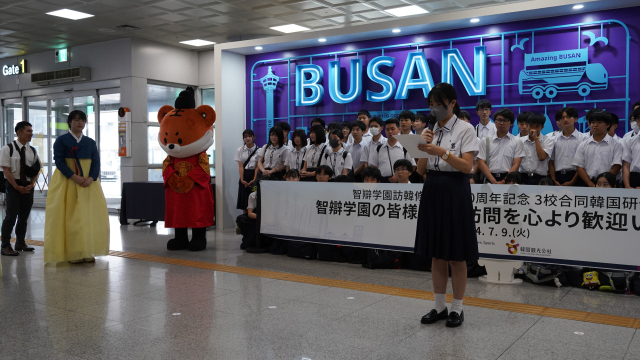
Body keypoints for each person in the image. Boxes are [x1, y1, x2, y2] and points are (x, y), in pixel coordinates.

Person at [415, 82, 479, 328]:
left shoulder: (465, 129)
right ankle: (439, 307)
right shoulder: (430, 130)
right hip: (432, 189)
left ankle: (457, 308)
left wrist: (441, 152)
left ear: (452, 103)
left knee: (456, 255)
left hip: (455, 190)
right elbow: (421, 170)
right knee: (436, 254)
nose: (434, 109)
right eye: (431, 104)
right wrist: (422, 147)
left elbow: (467, 167)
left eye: (439, 104)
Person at [44, 110, 109, 264]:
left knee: (88, 217)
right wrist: (75, 177)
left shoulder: (90, 142)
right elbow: (59, 162)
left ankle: (87, 250)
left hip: (88, 183)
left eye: (83, 120)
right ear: (70, 122)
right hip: (67, 182)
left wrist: (91, 178)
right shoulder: (61, 141)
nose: (80, 123)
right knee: (71, 217)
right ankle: (73, 252)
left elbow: (96, 162)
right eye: (77, 120)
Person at [0, 121, 41, 256]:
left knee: (24, 216)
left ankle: (20, 242)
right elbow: (6, 170)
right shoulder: (7, 148)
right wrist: (16, 186)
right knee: (11, 216)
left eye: (31, 130)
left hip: (28, 186)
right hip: (13, 185)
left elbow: (36, 170)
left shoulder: (32, 151)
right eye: (28, 131)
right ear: (19, 132)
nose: (31, 133)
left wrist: (32, 184)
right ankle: (5, 245)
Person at [572, 109, 624, 187]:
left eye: (599, 122)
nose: (595, 125)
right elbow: (579, 166)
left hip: (608, 184)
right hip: (587, 183)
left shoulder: (616, 144)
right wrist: (591, 184)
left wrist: (603, 183)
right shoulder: (583, 144)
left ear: (608, 125)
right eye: (592, 122)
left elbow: (617, 166)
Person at [476, 108, 524, 184]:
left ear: (511, 123)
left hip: (509, 180)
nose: (501, 123)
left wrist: (504, 181)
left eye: (505, 121)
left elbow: (516, 164)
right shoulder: (485, 141)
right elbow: (481, 162)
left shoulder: (517, 141)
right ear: (494, 122)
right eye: (499, 120)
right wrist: (493, 181)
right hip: (489, 179)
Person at [549, 107, 588, 186]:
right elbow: (551, 162)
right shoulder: (553, 139)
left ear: (575, 119)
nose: (565, 120)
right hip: (558, 177)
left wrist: (572, 181)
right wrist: (553, 180)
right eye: (562, 118)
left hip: (578, 176)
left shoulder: (584, 139)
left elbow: (584, 163)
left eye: (568, 117)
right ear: (559, 121)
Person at [368, 118, 415, 183]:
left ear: (399, 130)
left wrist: (399, 177)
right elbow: (373, 166)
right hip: (382, 182)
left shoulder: (405, 148)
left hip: (400, 182)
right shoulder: (379, 148)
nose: (390, 132)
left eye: (392, 129)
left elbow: (412, 166)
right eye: (387, 129)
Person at [519, 113, 554, 185]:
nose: (533, 129)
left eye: (537, 126)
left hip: (540, 178)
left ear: (542, 127)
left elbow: (542, 157)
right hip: (523, 177)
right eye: (531, 126)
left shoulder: (548, 140)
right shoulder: (520, 141)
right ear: (528, 126)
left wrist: (536, 139)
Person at [235, 129, 259, 214]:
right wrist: (242, 180)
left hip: (254, 175)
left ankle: (253, 223)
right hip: (244, 175)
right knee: (244, 200)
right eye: (245, 137)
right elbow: (240, 166)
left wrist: (254, 178)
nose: (247, 138)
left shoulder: (259, 150)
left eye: (249, 136)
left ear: (253, 137)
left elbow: (257, 166)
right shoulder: (240, 150)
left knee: (255, 199)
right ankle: (244, 223)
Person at [622, 111, 640, 188]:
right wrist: (627, 186)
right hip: (634, 178)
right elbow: (626, 165)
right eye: (638, 118)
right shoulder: (630, 141)